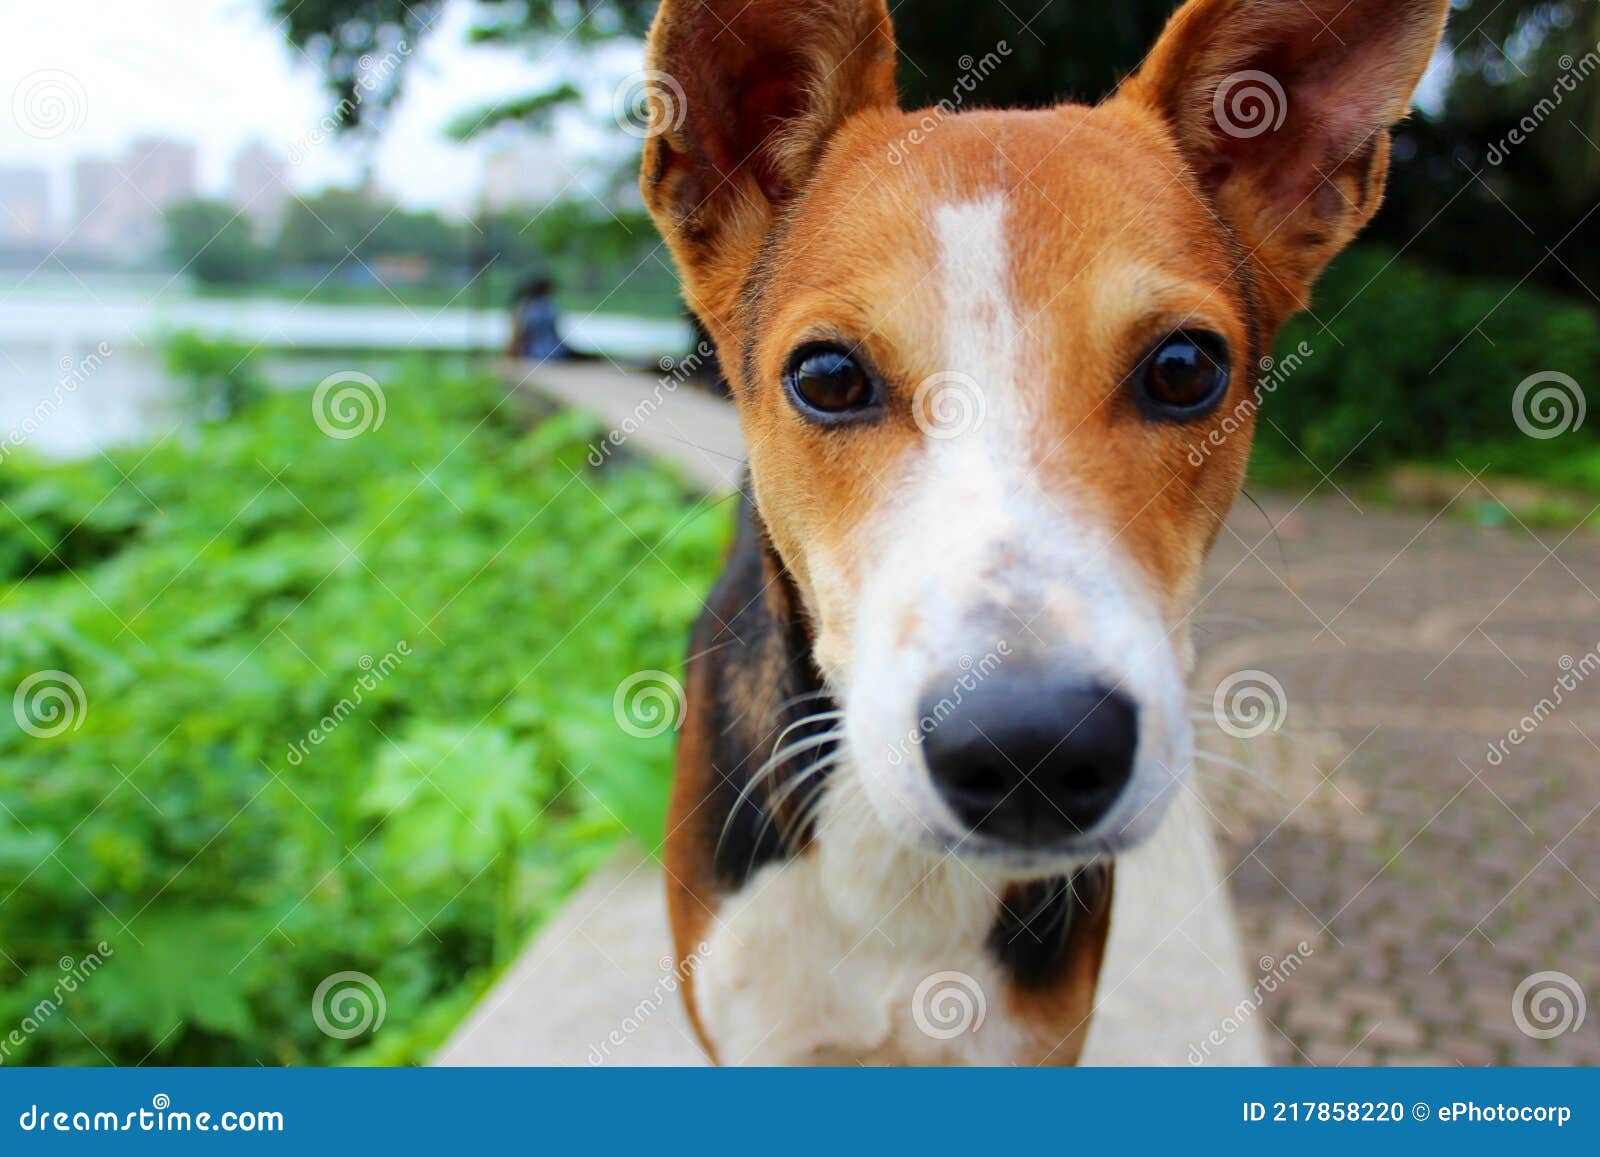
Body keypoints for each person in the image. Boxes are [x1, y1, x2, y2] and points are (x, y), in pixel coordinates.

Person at [508, 277, 569, 361]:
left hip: (534, 352)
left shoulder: (525, 307)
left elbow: (520, 333)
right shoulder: (549, 306)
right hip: (548, 351)